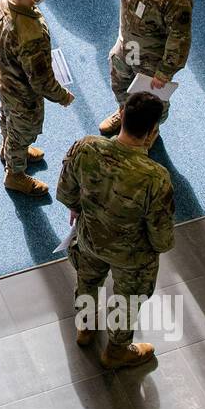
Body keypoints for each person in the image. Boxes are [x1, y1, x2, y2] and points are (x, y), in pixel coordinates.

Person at [56, 92, 174, 370]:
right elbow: (162, 238)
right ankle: (117, 351)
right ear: (152, 131)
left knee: (87, 281)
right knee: (127, 299)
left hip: (88, 240)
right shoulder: (155, 177)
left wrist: (78, 207)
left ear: (121, 115)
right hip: (131, 257)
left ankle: (85, 328)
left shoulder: (85, 148)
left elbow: (65, 192)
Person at [89, 0, 193, 140]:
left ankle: (150, 130)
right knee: (120, 85)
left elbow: (179, 39)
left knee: (150, 102)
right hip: (126, 46)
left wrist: (164, 72)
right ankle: (124, 114)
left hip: (151, 60)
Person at [0, 0, 75, 197]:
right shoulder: (30, 32)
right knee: (22, 132)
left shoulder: (2, 1)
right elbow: (41, 81)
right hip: (23, 94)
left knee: (7, 118)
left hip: (4, 79)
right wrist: (63, 96)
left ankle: (7, 148)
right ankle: (15, 175)